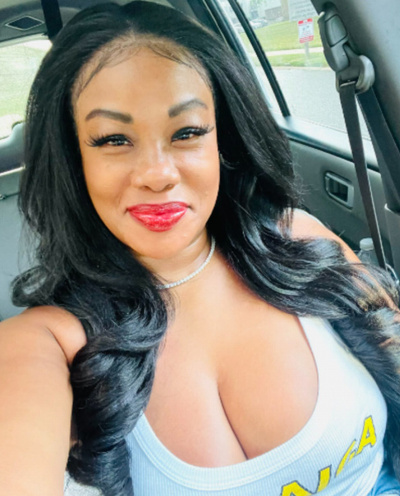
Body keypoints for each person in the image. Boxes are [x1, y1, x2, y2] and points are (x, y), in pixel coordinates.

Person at [1, 2, 400, 495]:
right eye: (113, 139)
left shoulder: (300, 239)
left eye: (187, 132)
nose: (157, 174)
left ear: (221, 141)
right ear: (72, 157)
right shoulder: (47, 344)